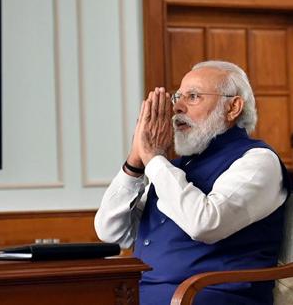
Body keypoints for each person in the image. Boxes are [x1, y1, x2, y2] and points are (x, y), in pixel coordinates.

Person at [94, 61, 291, 305]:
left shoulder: (258, 161)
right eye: (178, 97)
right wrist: (136, 161)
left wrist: (154, 158)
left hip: (206, 297)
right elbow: (111, 233)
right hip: (141, 294)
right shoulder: (173, 169)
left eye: (194, 96)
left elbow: (205, 224)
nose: (177, 107)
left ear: (233, 107)